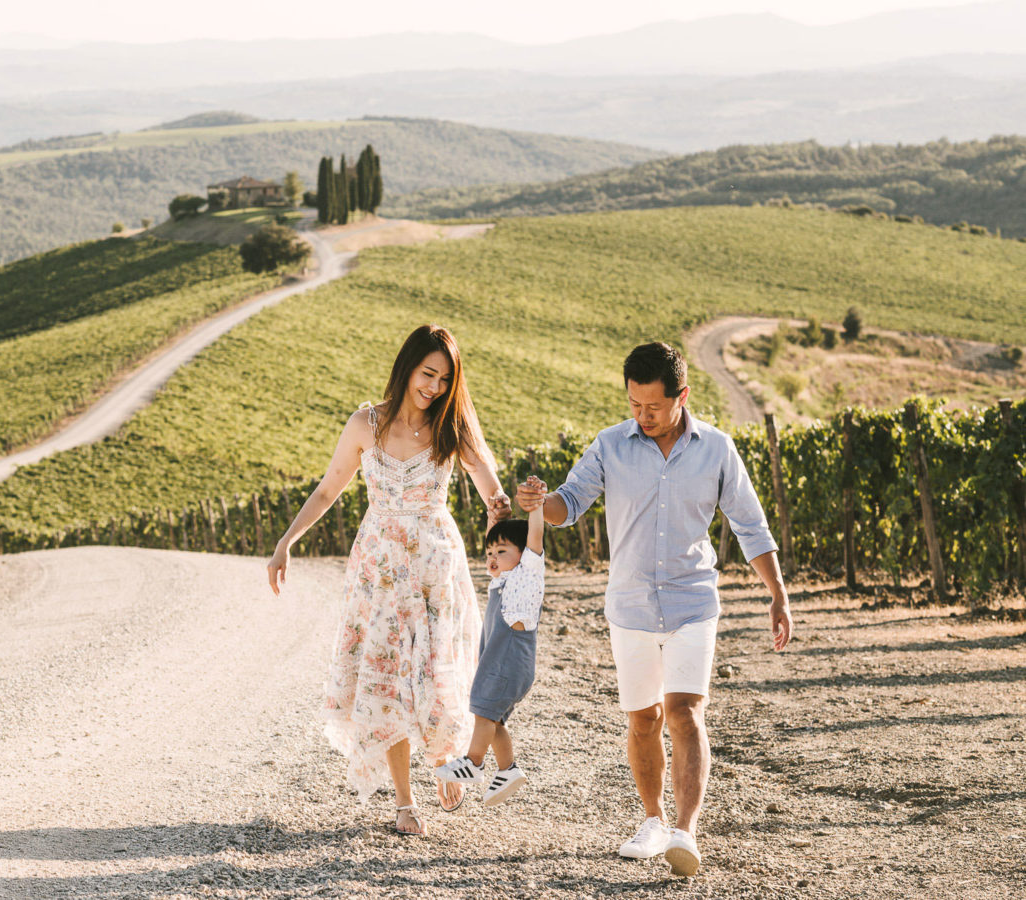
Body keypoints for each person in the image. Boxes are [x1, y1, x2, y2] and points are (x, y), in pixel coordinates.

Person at [518, 341, 793, 877]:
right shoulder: (609, 446)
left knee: (686, 713)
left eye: (653, 407)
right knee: (644, 719)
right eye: (633, 405)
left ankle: (686, 833)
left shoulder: (717, 449)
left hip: (694, 601)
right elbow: (569, 503)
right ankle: (652, 821)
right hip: (630, 606)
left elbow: (750, 524)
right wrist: (539, 503)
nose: (642, 417)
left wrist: (777, 593)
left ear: (681, 396)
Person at [267, 324, 511, 837]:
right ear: (407, 369)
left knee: (437, 670)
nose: (435, 387)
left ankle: (447, 759)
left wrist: (501, 520)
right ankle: (404, 802)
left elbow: (491, 488)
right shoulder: (366, 423)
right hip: (378, 568)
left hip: (434, 567)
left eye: (445, 379)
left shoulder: (453, 426)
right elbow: (329, 487)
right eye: (428, 374)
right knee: (386, 676)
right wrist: (285, 542)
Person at [435, 475, 548, 808]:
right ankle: (508, 770)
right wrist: (495, 521)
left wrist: (536, 507)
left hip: (509, 660)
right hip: (501, 660)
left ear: (524, 552)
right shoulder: (502, 580)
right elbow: (496, 544)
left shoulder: (528, 571)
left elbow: (534, 535)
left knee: (484, 713)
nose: (492, 557)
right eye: (489, 552)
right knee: (492, 718)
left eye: (501, 550)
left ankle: (474, 762)